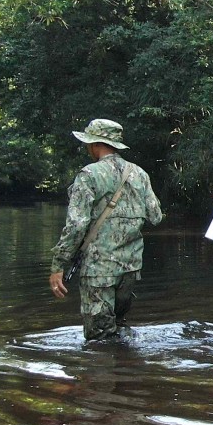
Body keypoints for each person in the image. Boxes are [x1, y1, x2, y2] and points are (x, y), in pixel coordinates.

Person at [49, 119, 164, 341]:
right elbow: (156, 216)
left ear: (94, 145)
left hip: (98, 270)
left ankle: (104, 373)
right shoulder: (139, 173)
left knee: (99, 339)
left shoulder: (89, 175)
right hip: (130, 268)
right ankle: (127, 371)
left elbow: (76, 225)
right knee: (118, 330)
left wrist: (58, 265)